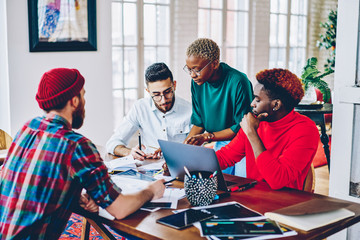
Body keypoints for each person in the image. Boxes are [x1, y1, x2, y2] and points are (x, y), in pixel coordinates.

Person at [0, 68, 165, 239]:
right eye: (83, 95)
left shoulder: (27, 128)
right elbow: (120, 209)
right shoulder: (77, 146)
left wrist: (73, 196)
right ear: (74, 101)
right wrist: (151, 190)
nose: (85, 102)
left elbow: (30, 181)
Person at [216, 68, 319, 190]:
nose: (252, 104)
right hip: (254, 196)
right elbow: (225, 157)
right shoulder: (257, 122)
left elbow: (277, 180)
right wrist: (192, 162)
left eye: (258, 100)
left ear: (276, 105)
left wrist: (252, 134)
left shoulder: (306, 130)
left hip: (286, 203)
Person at [183, 38, 253, 175]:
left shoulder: (238, 81)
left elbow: (241, 128)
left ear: (214, 64)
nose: (192, 75)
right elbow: (199, 122)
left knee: (242, 186)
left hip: (243, 144)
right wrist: (184, 149)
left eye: (196, 70)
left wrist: (206, 137)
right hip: (219, 142)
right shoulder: (198, 83)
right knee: (220, 186)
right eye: (189, 69)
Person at [106, 62, 192, 160]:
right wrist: (130, 152)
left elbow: (197, 150)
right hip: (148, 167)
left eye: (167, 92)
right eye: (156, 94)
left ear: (174, 85)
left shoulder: (190, 110)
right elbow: (112, 143)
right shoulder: (140, 108)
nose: (163, 100)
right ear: (148, 91)